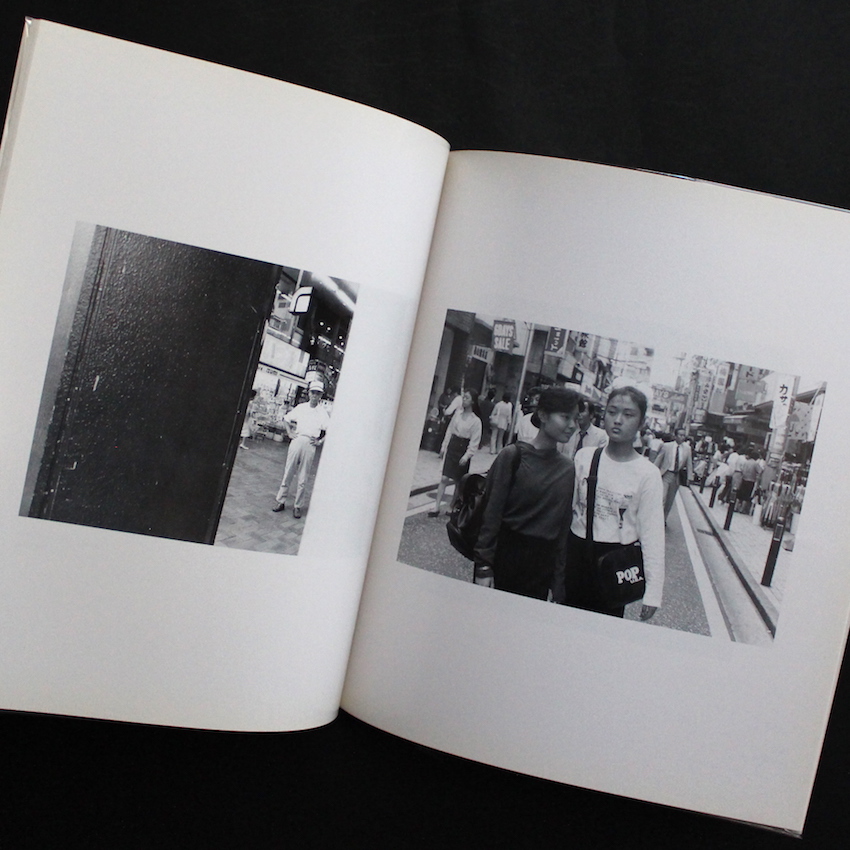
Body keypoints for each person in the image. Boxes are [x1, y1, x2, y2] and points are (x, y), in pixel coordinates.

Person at [555, 386, 665, 620]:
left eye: (628, 414)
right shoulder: (585, 457)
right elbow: (567, 513)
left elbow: (653, 535)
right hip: (576, 553)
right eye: (612, 412)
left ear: (641, 423)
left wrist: (653, 592)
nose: (618, 420)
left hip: (614, 562)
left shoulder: (647, 474)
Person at [473, 387, 580, 599]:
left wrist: (557, 581)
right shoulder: (512, 456)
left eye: (575, 419)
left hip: (542, 567)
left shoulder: (568, 469)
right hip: (505, 557)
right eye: (565, 417)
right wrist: (483, 566)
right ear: (543, 415)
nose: (572, 425)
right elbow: (491, 515)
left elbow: (562, 528)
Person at [272, 380, 330, 519]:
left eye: (318, 393)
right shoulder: (301, 407)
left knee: (303, 477)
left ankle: (297, 506)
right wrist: (289, 433)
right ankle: (280, 501)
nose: (315, 395)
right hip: (297, 440)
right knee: (288, 472)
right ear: (309, 393)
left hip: (310, 443)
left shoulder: (322, 413)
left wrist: (320, 441)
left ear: (320, 395)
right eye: (313, 392)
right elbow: (286, 419)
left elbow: (330, 429)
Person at [429, 389, 482, 517]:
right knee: (444, 477)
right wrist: (444, 447)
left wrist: (467, 455)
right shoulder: (457, 414)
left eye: (467, 398)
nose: (464, 399)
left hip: (463, 448)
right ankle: (436, 507)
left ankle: (451, 505)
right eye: (464, 397)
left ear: (473, 402)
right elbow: (449, 431)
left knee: (458, 480)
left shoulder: (476, 421)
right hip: (453, 446)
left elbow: (475, 441)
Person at [654, 427, 693, 520]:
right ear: (675, 436)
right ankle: (657, 518)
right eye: (680, 435)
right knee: (662, 497)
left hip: (676, 477)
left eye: (684, 435)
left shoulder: (687, 449)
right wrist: (653, 473)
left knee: (670, 500)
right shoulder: (666, 446)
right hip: (666, 474)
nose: (682, 437)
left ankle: (664, 519)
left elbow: (689, 464)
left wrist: (689, 477)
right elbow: (658, 460)